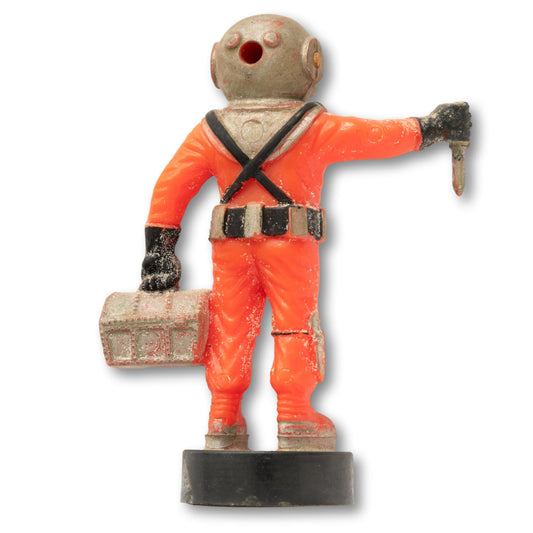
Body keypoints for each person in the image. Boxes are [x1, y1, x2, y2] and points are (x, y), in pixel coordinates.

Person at [140, 14, 471, 451]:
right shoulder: (313, 128)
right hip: (290, 246)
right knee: (295, 324)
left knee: (230, 325)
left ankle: (223, 414)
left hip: (230, 248)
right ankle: (295, 413)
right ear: (307, 61)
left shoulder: (209, 132)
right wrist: (431, 127)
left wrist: (160, 249)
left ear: (218, 67)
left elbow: (170, 187)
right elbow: (376, 137)